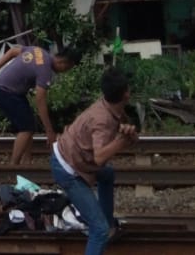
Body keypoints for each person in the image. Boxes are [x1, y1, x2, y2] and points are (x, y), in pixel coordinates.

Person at [50, 66, 139, 255]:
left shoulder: (109, 106)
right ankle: (105, 229)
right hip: (68, 169)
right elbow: (99, 158)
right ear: (126, 94)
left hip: (74, 159)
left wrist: (127, 136)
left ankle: (109, 227)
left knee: (107, 174)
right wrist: (121, 142)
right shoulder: (102, 120)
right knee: (98, 230)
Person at [0, 44, 80, 165]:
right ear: (64, 63)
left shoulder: (39, 51)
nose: (64, 72)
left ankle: (26, 161)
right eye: (67, 69)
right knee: (26, 129)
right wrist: (49, 131)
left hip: (8, 90)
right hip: (5, 92)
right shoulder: (45, 71)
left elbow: (12, 51)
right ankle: (13, 166)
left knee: (29, 123)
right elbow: (40, 101)